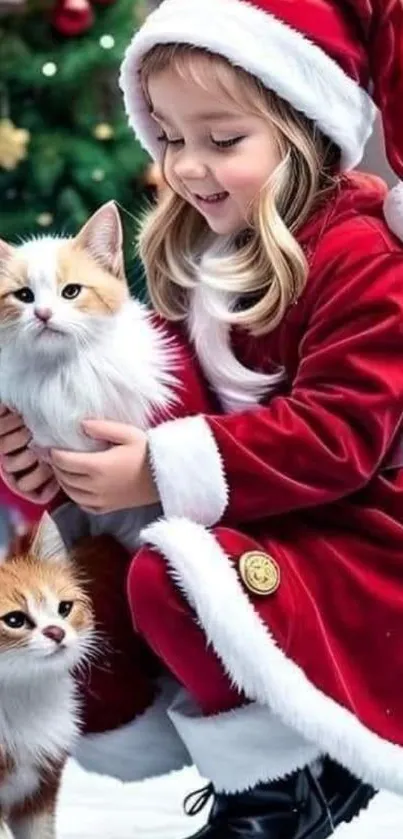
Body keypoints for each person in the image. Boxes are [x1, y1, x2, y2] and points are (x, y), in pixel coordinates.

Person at [2, 0, 403, 836]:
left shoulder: (357, 254)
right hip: (252, 514)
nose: (188, 166)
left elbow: (343, 433)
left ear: (301, 134)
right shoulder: (200, 252)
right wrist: (59, 471)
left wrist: (156, 467)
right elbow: (169, 401)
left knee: (170, 573)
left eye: (222, 141)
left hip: (358, 536)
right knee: (86, 598)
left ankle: (291, 782)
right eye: (170, 137)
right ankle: (253, 751)